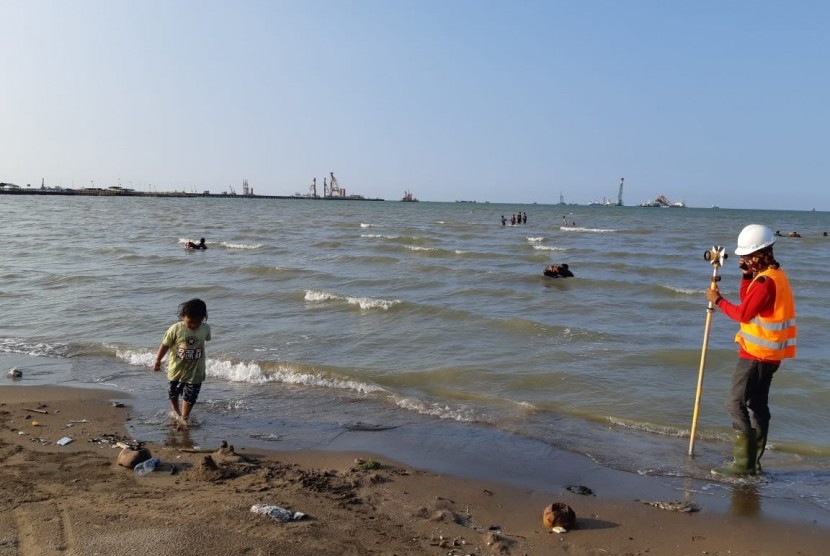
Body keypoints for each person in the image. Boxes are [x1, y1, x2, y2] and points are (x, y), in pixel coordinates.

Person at [705, 224, 797, 476]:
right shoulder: (773, 275)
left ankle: (742, 464)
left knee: (735, 403)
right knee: (756, 403)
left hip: (757, 354)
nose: (743, 260)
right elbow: (749, 299)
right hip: (771, 354)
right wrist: (746, 275)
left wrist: (718, 301)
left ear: (759, 253)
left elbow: (743, 313)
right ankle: (752, 462)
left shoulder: (766, 282)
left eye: (746, 257)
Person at [153, 298, 212, 428]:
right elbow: (165, 345)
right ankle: (176, 410)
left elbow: (206, 339)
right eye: (190, 322)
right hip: (177, 368)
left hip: (196, 369)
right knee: (173, 392)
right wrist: (158, 360)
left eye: (197, 322)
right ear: (183, 317)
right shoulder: (175, 328)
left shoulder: (206, 328)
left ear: (203, 318)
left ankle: (184, 417)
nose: (193, 325)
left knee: (191, 396)